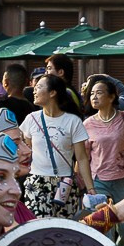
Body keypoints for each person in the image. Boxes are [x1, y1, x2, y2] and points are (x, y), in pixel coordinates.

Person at [84, 77, 124, 246]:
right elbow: (84, 158)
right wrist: (88, 187)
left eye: (99, 92)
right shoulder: (87, 124)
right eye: (92, 93)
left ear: (112, 97)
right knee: (105, 230)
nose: (94, 97)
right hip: (100, 181)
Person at [21, 76, 88, 219]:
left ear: (52, 93)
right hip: (37, 182)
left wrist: (91, 188)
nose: (34, 91)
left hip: (66, 183)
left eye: (39, 87)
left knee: (64, 231)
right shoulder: (31, 119)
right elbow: (28, 150)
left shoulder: (73, 121)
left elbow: (82, 158)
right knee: (38, 228)